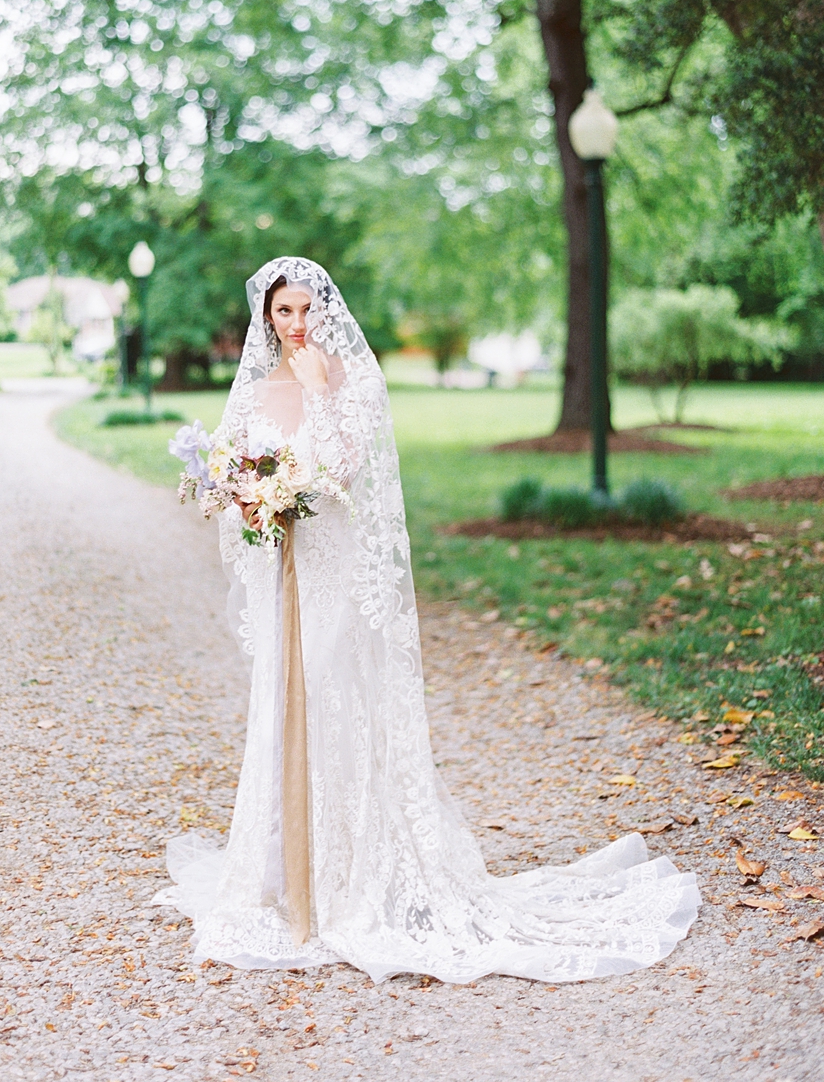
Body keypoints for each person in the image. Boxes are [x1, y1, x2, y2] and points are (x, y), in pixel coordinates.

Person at [156, 257, 700, 983]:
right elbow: (235, 475)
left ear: (325, 310)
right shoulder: (254, 388)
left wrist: (320, 400)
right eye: (282, 313)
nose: (296, 325)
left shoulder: (349, 380)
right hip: (282, 574)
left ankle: (349, 872)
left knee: (334, 697)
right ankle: (288, 873)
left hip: (332, 572)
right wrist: (244, 496)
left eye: (306, 310)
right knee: (281, 704)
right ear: (265, 318)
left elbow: (348, 469)